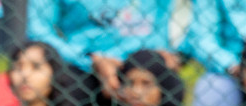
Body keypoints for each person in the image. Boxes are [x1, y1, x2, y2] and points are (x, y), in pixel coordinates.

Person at [24, 0, 177, 100]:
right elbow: (38, 30)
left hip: (139, 58)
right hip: (81, 62)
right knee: (63, 90)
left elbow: (161, 19)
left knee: (169, 88)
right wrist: (88, 58)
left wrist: (158, 52)